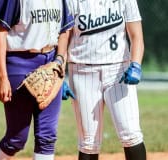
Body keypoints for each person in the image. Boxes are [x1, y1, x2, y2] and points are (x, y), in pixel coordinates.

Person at [0, 0, 74, 159]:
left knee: (47, 137)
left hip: (51, 63)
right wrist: (2, 77)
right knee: (16, 139)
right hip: (19, 63)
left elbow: (65, 30)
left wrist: (60, 61)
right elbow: (0, 32)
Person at [63, 0, 147, 160]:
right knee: (88, 142)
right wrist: (59, 75)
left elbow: (137, 36)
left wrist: (135, 64)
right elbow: (63, 39)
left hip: (118, 72)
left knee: (131, 134)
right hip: (82, 72)